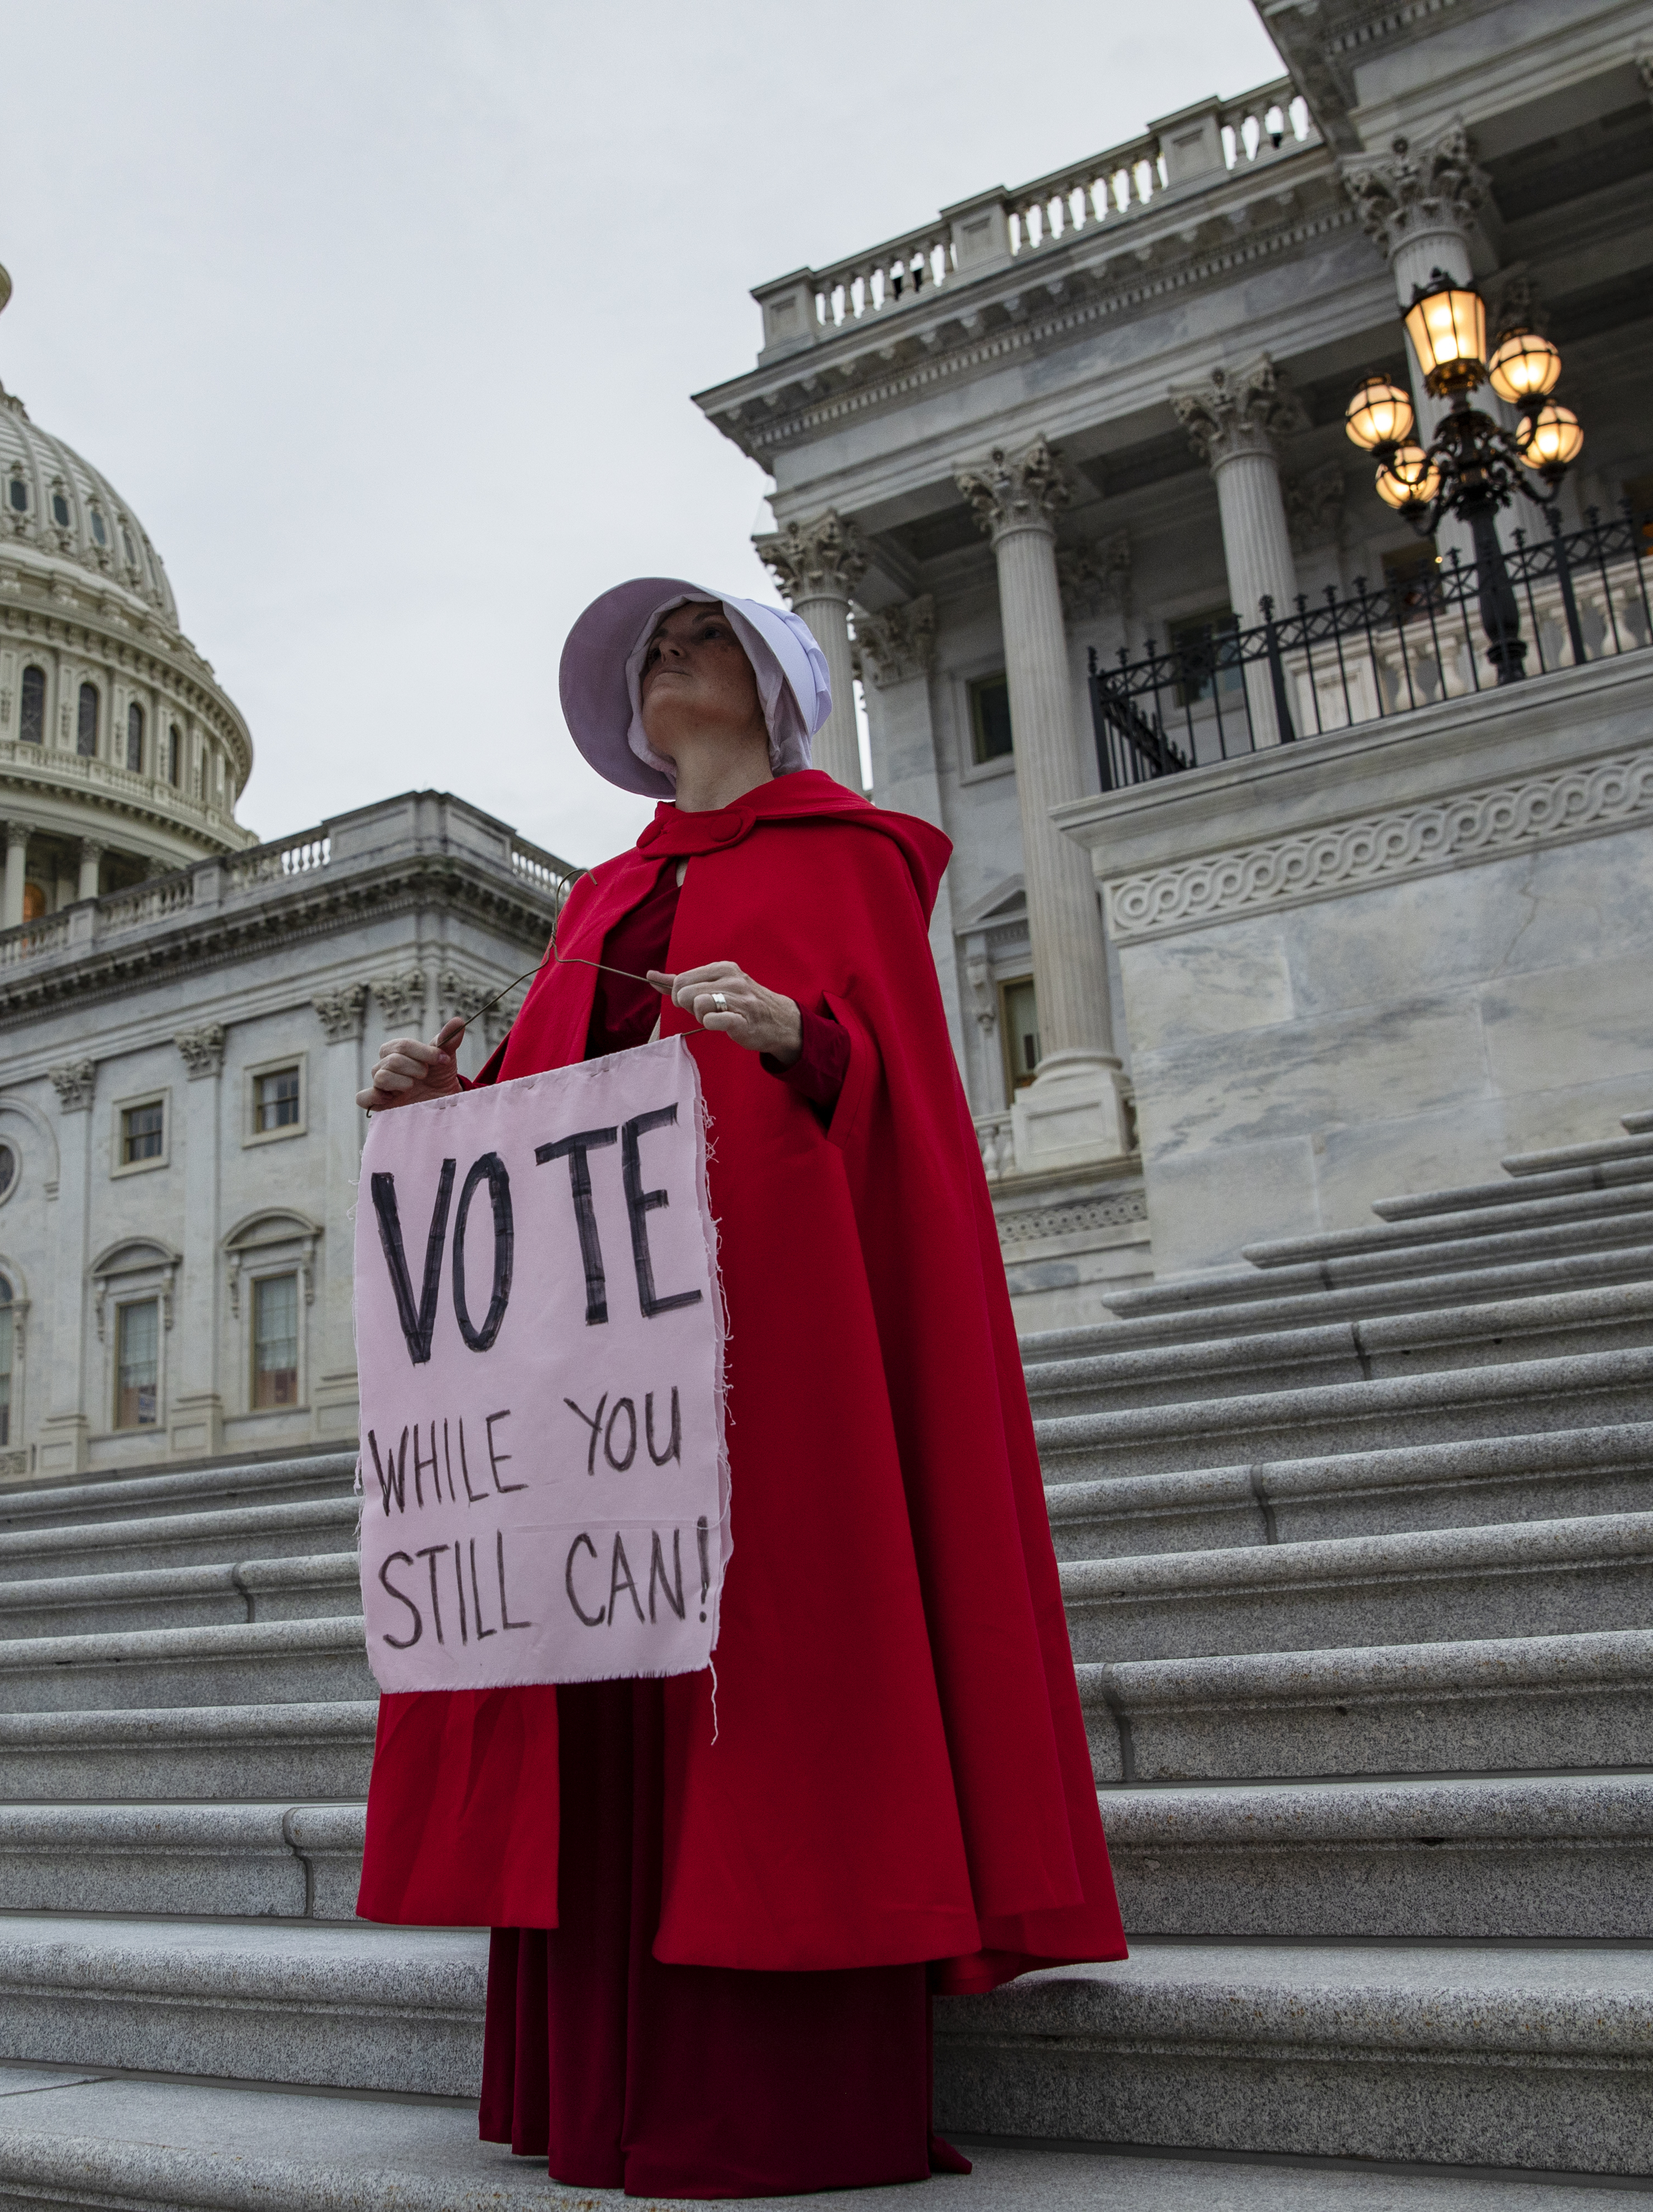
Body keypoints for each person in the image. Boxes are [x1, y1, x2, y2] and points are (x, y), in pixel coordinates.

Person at [352, 581, 1127, 2197]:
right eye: (650, 653)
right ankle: (604, 2088)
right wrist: (453, 1097)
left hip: (774, 1348)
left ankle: (766, 2094)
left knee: (768, 1686)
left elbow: (901, 1106)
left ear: (774, 686)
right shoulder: (595, 898)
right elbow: (561, 1128)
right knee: (609, 1688)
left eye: (696, 637)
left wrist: (799, 1039)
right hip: (608, 1387)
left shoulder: (851, 861)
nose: (664, 661)